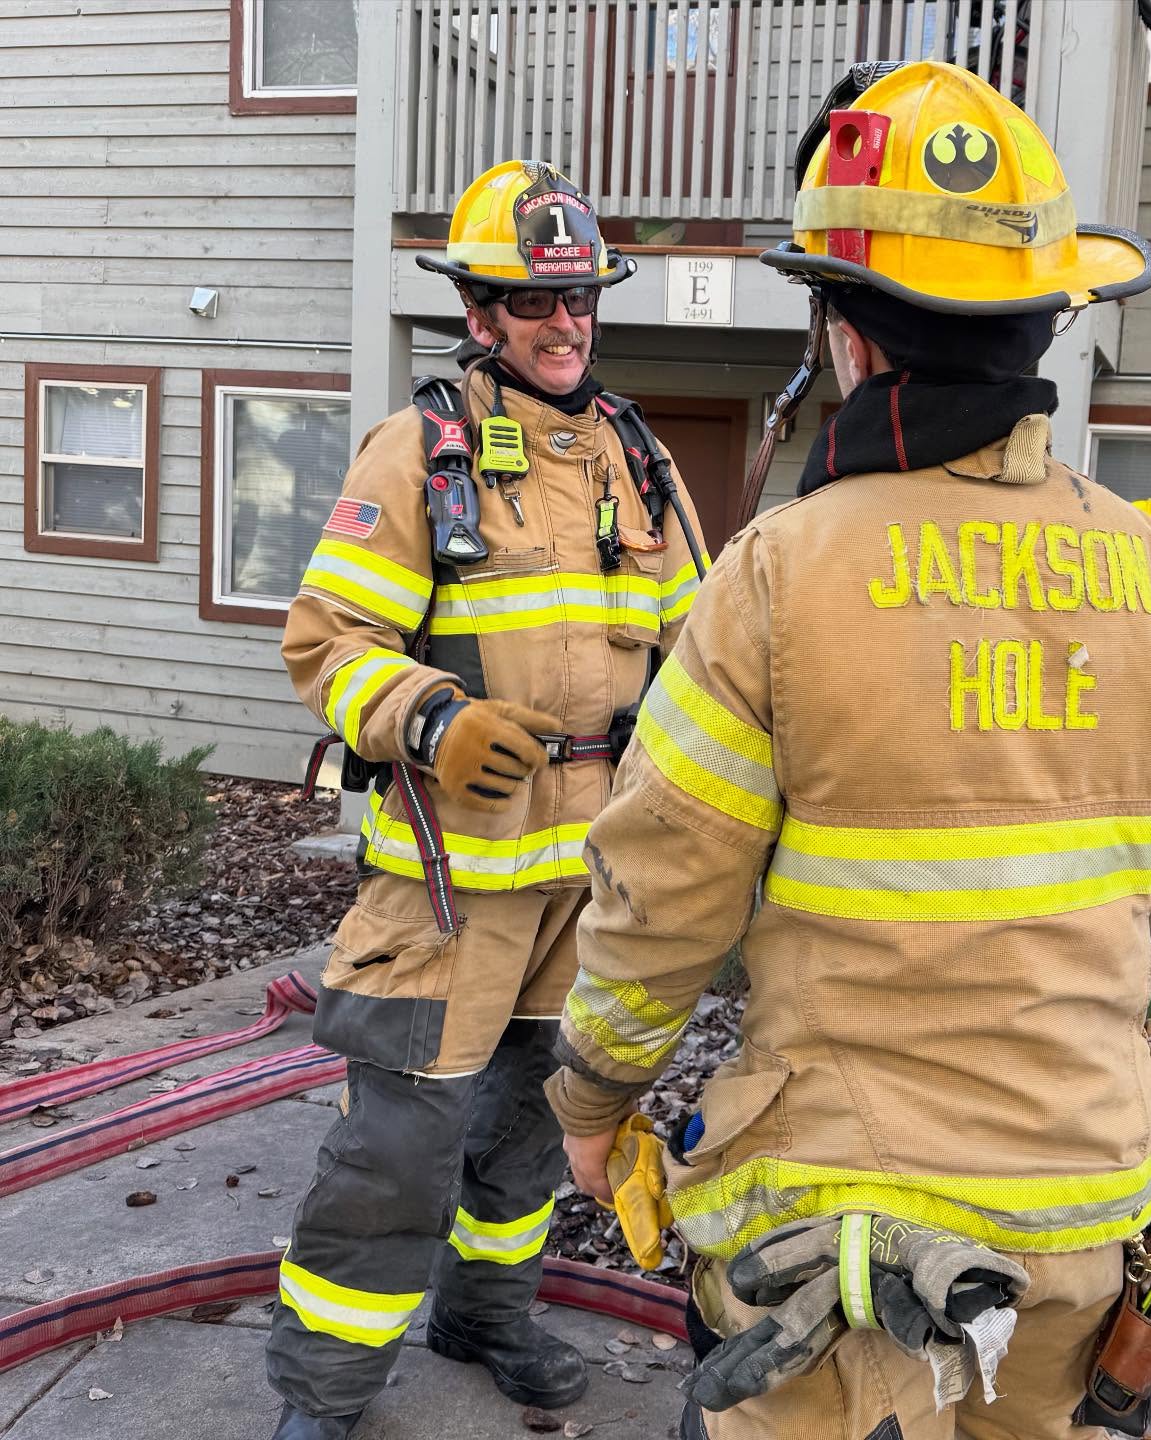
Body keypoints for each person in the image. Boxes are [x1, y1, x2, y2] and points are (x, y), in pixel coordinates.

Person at [545, 62, 1151, 1440]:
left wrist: (596, 1092)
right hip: (1084, 1223)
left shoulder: (782, 575)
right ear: (1047, 318)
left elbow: (664, 889)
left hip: (846, 1256)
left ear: (846, 338)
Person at [266, 159, 707, 1440]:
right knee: (393, 1150)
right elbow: (324, 639)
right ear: (479, 314)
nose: (563, 325)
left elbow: (703, 656)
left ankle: (486, 1314)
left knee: (526, 1131)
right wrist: (434, 718)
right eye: (532, 303)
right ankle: (326, 1394)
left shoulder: (639, 458)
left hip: (589, 883)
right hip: (449, 885)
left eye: (579, 301)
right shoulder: (419, 451)